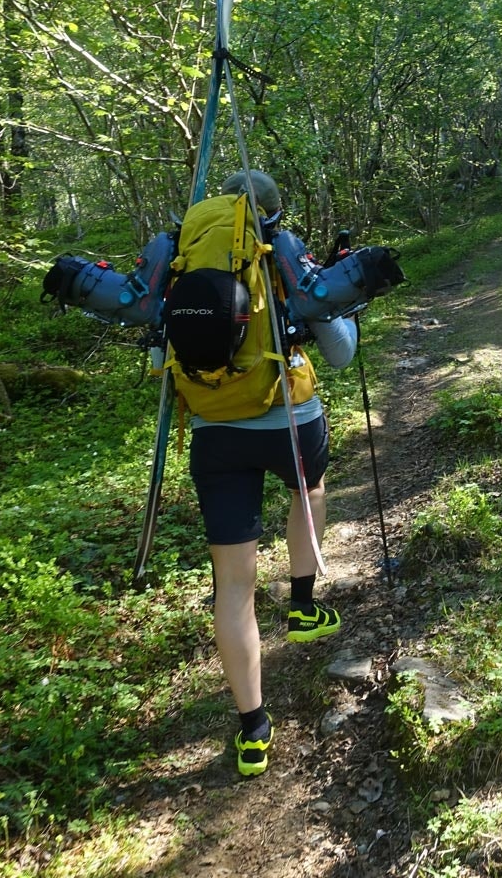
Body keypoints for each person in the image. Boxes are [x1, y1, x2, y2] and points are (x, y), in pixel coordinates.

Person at [188, 169, 358, 778]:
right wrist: (347, 308)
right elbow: (338, 351)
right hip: (290, 416)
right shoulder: (281, 257)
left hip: (212, 430)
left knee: (232, 584)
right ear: (273, 215)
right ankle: (305, 607)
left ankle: (253, 730)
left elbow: (165, 353)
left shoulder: (187, 260)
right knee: (307, 489)